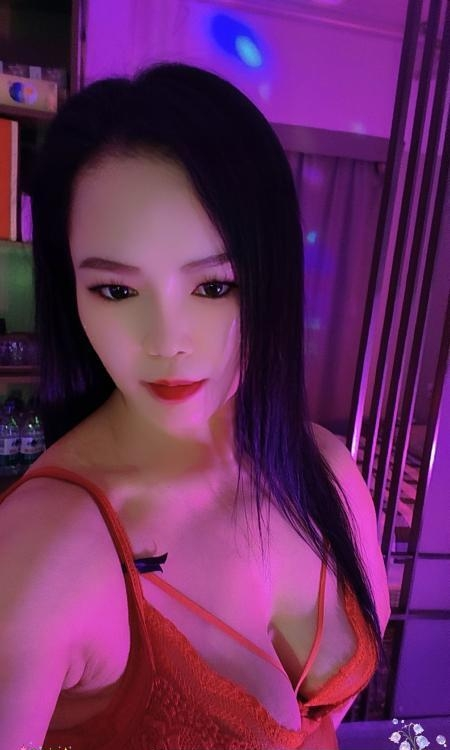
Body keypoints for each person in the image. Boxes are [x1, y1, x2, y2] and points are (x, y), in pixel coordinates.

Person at [0, 61, 390, 750]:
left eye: (214, 286)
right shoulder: (42, 552)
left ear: (270, 275)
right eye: (117, 291)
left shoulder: (324, 468)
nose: (167, 341)